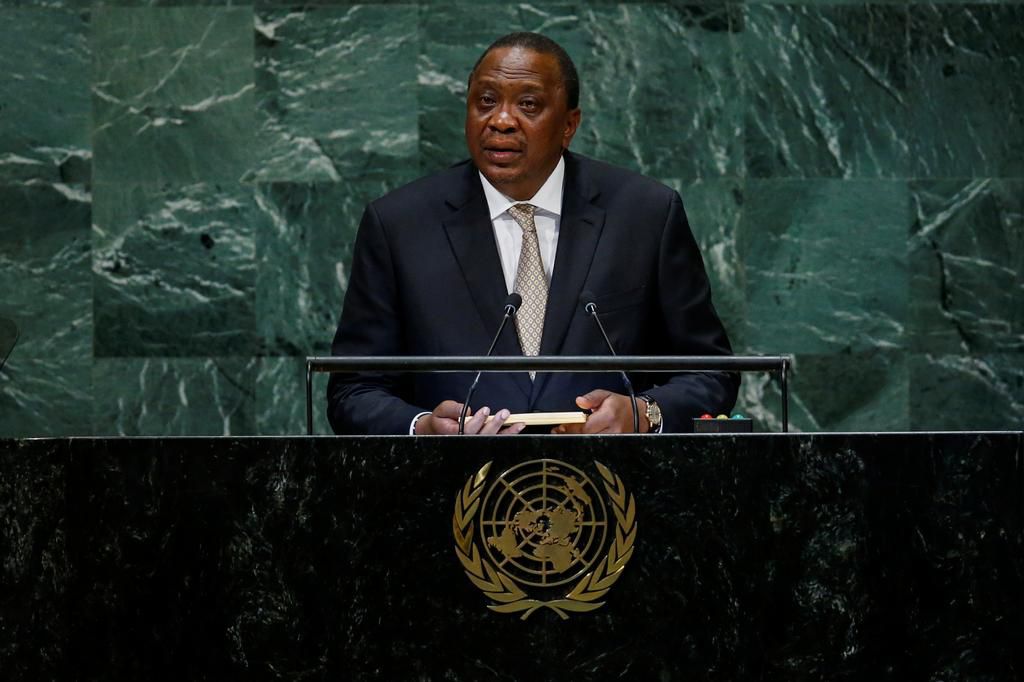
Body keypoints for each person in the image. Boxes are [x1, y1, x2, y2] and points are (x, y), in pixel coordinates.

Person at [327, 32, 738, 435]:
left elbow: (711, 371)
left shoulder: (644, 214)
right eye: (486, 101)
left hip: (613, 488)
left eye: (528, 104)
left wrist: (644, 413)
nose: (501, 121)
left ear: (569, 124)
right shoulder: (400, 224)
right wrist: (424, 429)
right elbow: (354, 389)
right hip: (455, 491)